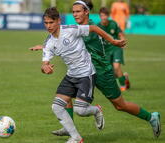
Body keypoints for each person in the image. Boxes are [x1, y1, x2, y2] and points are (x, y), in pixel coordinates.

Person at [31, 0, 161, 139]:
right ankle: (69, 128)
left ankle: (151, 117)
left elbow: (71, 37)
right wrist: (47, 47)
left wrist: (113, 41)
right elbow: (62, 40)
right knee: (66, 97)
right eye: (73, 12)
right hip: (84, 72)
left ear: (86, 11)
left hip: (101, 71)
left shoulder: (89, 27)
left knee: (120, 105)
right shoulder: (76, 27)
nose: (75, 14)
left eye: (78, 11)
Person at [40, 7, 125, 143]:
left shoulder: (71, 29)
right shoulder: (49, 42)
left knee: (80, 110)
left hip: (86, 74)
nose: (48, 26)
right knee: (56, 106)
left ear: (58, 21)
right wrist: (45, 68)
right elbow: (44, 62)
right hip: (71, 75)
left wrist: (113, 41)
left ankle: (96, 110)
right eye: (46, 23)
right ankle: (76, 137)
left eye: (51, 22)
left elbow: (93, 28)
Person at [98, 7, 130, 91]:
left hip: (116, 48)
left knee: (116, 67)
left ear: (108, 16)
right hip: (106, 50)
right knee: (110, 72)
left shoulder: (113, 23)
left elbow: (120, 34)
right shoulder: (97, 26)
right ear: (99, 16)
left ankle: (123, 86)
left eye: (105, 15)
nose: (103, 17)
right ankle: (124, 77)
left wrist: (122, 41)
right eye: (102, 16)